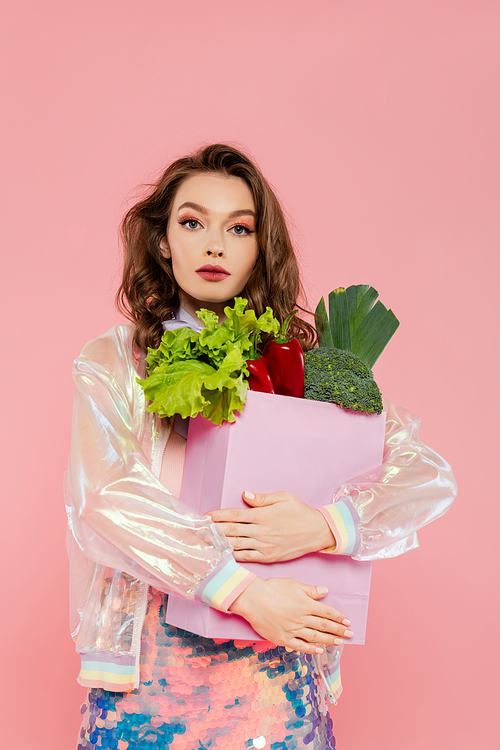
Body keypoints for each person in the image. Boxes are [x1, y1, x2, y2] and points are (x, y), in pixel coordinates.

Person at [66, 143, 457, 750]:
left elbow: (425, 475)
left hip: (276, 677)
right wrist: (243, 592)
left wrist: (327, 526)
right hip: (150, 676)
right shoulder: (115, 363)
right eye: (192, 222)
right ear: (163, 241)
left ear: (260, 247)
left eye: (239, 228)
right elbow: (109, 498)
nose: (215, 245)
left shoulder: (305, 364)